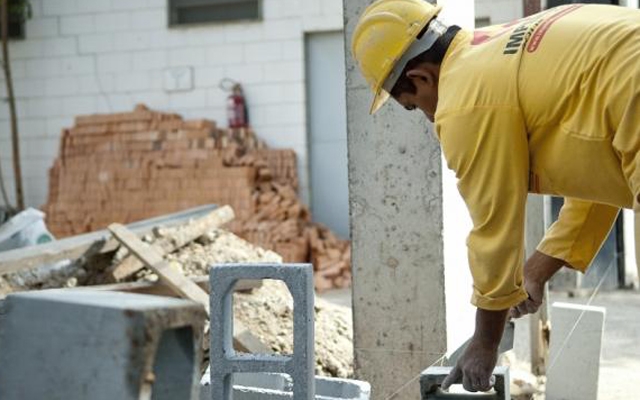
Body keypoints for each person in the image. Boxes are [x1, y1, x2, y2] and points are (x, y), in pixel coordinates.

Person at [351, 0, 640, 393]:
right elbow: (597, 175)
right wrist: (534, 273)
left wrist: (485, 340)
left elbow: (494, 227)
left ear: (420, 79)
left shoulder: (463, 99)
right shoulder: (492, 53)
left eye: (413, 106)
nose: (428, 118)